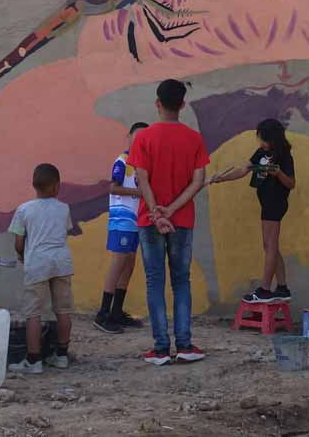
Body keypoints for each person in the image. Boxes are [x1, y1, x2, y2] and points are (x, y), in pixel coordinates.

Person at [129, 79, 209, 366]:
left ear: (157, 103)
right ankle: (184, 344)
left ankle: (161, 348)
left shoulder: (143, 138)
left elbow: (142, 178)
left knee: (155, 281)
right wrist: (171, 211)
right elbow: (198, 182)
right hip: (182, 219)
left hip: (148, 219)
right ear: (183, 104)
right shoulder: (194, 138)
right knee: (181, 281)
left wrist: (155, 212)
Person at [207, 118, 295, 304]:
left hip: (275, 202)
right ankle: (282, 288)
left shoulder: (284, 156)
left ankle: (265, 289)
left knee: (269, 246)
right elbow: (242, 170)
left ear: (274, 139)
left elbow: (291, 183)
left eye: (265, 140)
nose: (261, 143)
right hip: (266, 202)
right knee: (271, 246)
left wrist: (278, 173)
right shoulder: (261, 152)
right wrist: (222, 178)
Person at [8, 164, 75, 375]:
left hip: (36, 263)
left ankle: (33, 360)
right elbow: (64, 231)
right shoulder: (64, 208)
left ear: (33, 185)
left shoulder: (24, 209)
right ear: (57, 186)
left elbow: (19, 242)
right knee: (63, 310)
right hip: (61, 262)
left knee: (33, 313)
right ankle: (62, 356)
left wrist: (22, 254)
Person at [95, 122, 149, 334]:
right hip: (122, 219)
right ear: (129, 137)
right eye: (137, 136)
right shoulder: (122, 161)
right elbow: (113, 187)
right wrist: (138, 193)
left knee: (129, 263)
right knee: (118, 263)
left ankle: (117, 312)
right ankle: (103, 314)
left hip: (136, 220)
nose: (140, 141)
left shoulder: (144, 164)